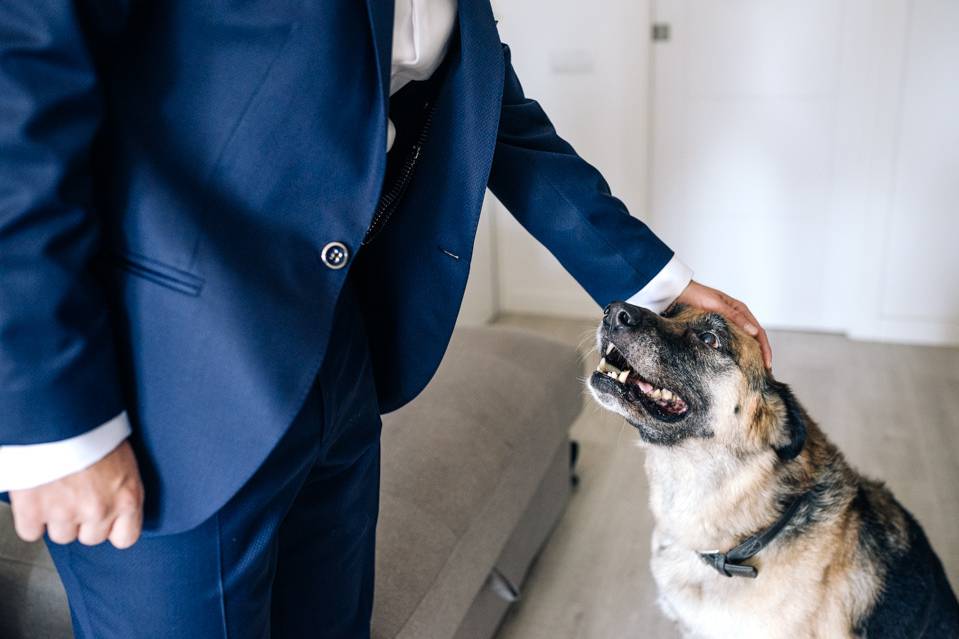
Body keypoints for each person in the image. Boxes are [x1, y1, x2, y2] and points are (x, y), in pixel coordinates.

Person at [0, 1, 771, 637]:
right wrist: (53, 423)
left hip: (339, 354)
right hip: (163, 382)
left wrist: (653, 280)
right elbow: (18, 84)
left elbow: (491, 109)